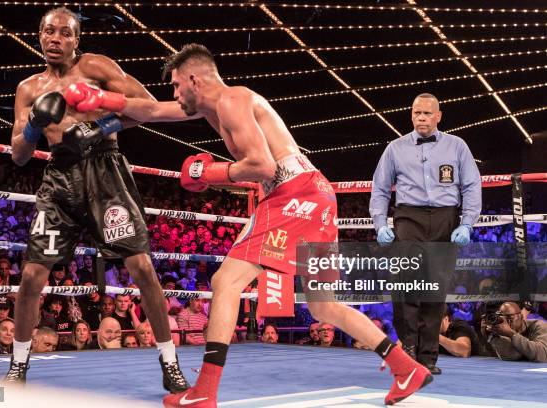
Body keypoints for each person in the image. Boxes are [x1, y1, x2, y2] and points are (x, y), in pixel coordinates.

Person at [68, 43, 433, 407]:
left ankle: (205, 392)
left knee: (225, 281)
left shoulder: (231, 100)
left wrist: (208, 172)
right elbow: (151, 109)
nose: (175, 94)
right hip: (316, 194)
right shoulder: (215, 106)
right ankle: (406, 367)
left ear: (194, 79)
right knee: (324, 307)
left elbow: (262, 167)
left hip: (291, 194)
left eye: (177, 86)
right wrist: (103, 99)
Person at [5, 6, 191, 393]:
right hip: (59, 175)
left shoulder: (97, 66)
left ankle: (169, 360)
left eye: (64, 33)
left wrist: (99, 124)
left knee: (140, 267)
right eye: (48, 32)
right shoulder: (29, 88)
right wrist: (36, 125)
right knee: (31, 276)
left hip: (104, 169)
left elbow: (146, 108)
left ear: (76, 39)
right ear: (39, 36)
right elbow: (19, 155)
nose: (55, 39)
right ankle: (18, 365)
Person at [370, 93, 482, 375]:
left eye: (427, 113)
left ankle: (428, 357)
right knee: (405, 283)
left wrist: (467, 222)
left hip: (446, 218)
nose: (421, 118)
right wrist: (380, 223)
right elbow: (380, 188)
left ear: (438, 116)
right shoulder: (395, 148)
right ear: (411, 115)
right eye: (417, 113)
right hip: (409, 216)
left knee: (435, 287)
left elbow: (471, 186)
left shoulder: (457, 146)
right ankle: (407, 351)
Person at [482, 302, 547, 362]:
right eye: (502, 318)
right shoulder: (501, 330)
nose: (507, 322)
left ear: (521, 317)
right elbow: (513, 356)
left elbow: (542, 355)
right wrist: (492, 336)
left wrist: (511, 333)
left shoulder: (539, 325)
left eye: (510, 318)